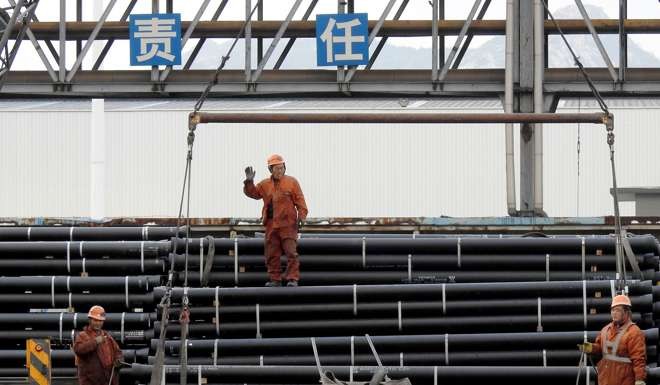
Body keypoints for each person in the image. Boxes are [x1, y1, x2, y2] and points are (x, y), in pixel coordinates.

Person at [243, 154, 308, 287]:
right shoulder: (265, 185)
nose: (280, 171)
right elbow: (253, 194)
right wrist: (249, 182)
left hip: (288, 225)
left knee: (291, 253)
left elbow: (300, 200)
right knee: (271, 254)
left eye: (281, 168)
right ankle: (275, 280)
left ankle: (292, 279)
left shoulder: (292, 182)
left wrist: (302, 215)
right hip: (271, 225)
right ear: (270, 170)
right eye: (277, 168)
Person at [578, 294, 647, 385]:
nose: (614, 313)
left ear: (626, 312)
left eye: (617, 310)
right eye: (612, 310)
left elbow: (639, 359)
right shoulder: (606, 330)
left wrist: (639, 379)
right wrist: (591, 348)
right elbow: (601, 348)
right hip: (605, 380)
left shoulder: (634, 332)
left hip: (624, 381)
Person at [73, 305, 123, 385]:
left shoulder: (107, 337)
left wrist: (119, 360)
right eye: (95, 320)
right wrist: (95, 341)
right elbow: (78, 349)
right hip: (90, 381)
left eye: (100, 321)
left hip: (107, 380)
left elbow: (118, 352)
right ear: (89, 320)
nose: (98, 323)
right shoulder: (82, 335)